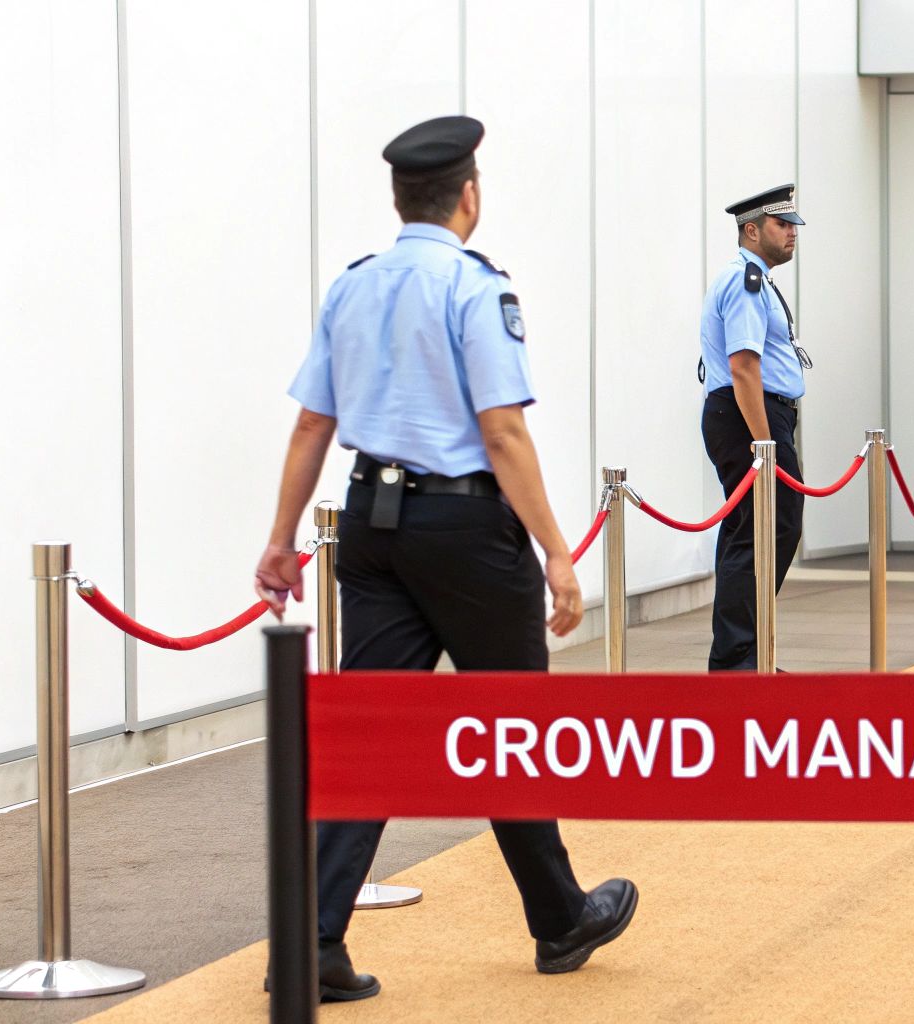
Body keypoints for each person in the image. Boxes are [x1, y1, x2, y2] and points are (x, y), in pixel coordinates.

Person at [253, 115, 638, 1002]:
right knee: (510, 726)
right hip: (464, 532)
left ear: (399, 199)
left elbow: (314, 423)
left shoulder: (351, 287)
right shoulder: (475, 287)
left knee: (374, 734)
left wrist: (280, 542)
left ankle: (309, 944)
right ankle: (560, 918)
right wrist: (556, 553)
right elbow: (502, 430)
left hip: (370, 526)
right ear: (470, 196)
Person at [700, 184, 808, 670]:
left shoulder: (756, 279)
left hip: (754, 414)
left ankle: (745, 654)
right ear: (751, 229)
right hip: (749, 416)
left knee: (760, 530)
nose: (791, 233)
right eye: (782, 224)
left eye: (792, 225)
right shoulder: (745, 279)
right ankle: (737, 659)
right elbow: (744, 366)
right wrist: (764, 445)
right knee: (763, 530)